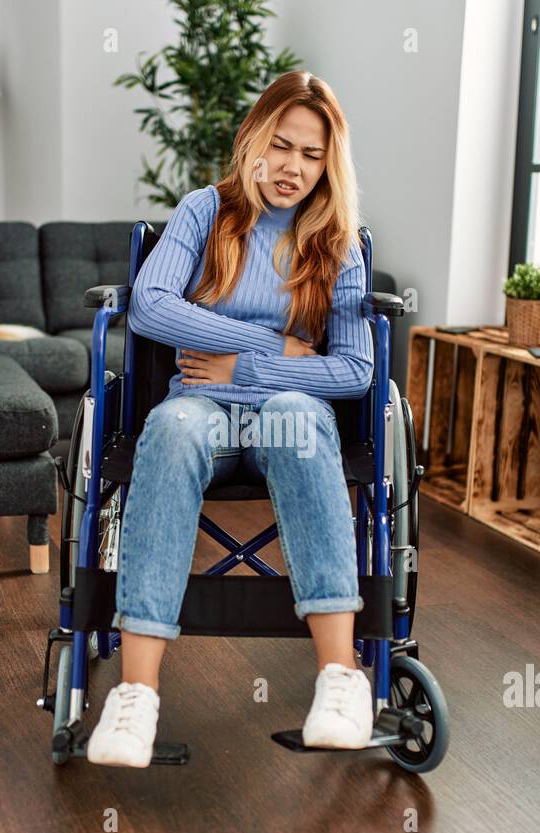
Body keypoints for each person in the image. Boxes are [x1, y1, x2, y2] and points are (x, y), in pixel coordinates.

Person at [86, 71, 374, 768]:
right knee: (174, 427)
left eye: (311, 154)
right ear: (253, 139)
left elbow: (355, 372)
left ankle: (342, 681)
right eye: (281, 146)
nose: (292, 168)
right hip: (201, 408)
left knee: (300, 422)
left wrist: (249, 369)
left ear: (328, 161)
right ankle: (135, 698)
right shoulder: (203, 211)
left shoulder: (337, 243)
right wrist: (268, 343)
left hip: (285, 412)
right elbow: (152, 306)